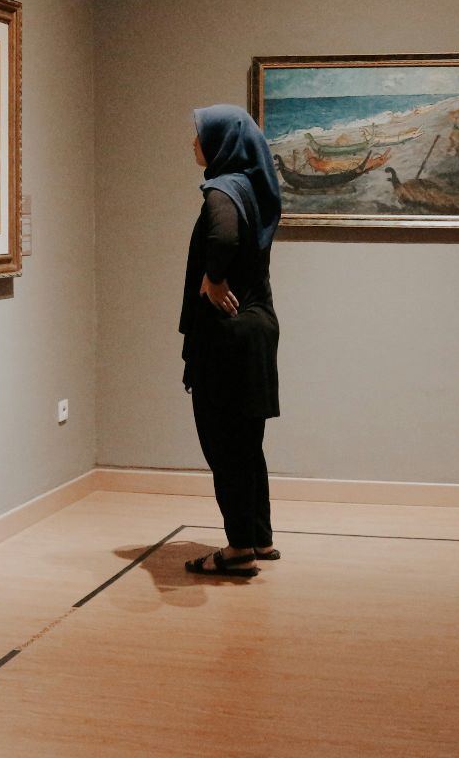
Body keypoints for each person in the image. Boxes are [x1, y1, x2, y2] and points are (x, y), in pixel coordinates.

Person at [179, 104, 284, 578]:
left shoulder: (221, 191)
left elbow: (221, 235)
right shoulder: (253, 186)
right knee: (248, 441)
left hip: (228, 336)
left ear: (221, 142)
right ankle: (259, 537)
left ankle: (237, 549)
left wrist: (213, 278)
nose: (192, 142)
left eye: (199, 134)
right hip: (259, 325)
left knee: (222, 443)